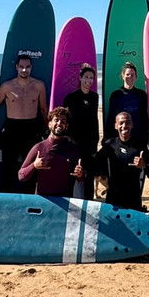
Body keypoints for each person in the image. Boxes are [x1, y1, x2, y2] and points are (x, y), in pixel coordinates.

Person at [0, 54, 48, 193]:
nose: (24, 70)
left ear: (31, 67)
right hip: (11, 129)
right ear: (16, 67)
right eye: (21, 67)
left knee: (31, 166)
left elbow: (44, 110)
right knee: (8, 166)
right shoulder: (7, 86)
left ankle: (28, 196)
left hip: (31, 128)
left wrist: (47, 131)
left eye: (27, 67)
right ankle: (6, 196)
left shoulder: (39, 85)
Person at [17, 107, 85, 197]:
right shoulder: (39, 148)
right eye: (56, 120)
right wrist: (34, 165)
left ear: (66, 126)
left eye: (63, 121)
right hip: (43, 201)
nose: (59, 123)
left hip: (64, 201)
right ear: (49, 124)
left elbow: (80, 179)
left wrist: (80, 175)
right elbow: (21, 176)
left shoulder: (72, 149)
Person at [96, 111, 149, 210]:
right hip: (113, 201)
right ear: (116, 126)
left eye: (127, 123)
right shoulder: (109, 145)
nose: (124, 126)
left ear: (132, 125)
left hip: (133, 201)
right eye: (121, 123)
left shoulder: (140, 146)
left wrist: (144, 166)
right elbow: (93, 166)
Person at [62, 64, 99, 199]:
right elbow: (65, 120)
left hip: (89, 143)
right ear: (80, 78)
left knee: (89, 175)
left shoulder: (94, 97)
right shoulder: (71, 97)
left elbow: (94, 120)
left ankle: (89, 201)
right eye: (86, 77)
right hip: (74, 142)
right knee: (73, 173)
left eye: (91, 78)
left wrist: (96, 141)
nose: (89, 80)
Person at [105, 62, 149, 150]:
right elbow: (111, 117)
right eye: (127, 74)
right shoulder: (116, 95)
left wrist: (148, 133)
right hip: (121, 136)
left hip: (138, 135)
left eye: (132, 75)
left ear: (136, 77)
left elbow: (144, 116)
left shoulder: (141, 94)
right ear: (123, 76)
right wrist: (107, 136)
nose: (130, 77)